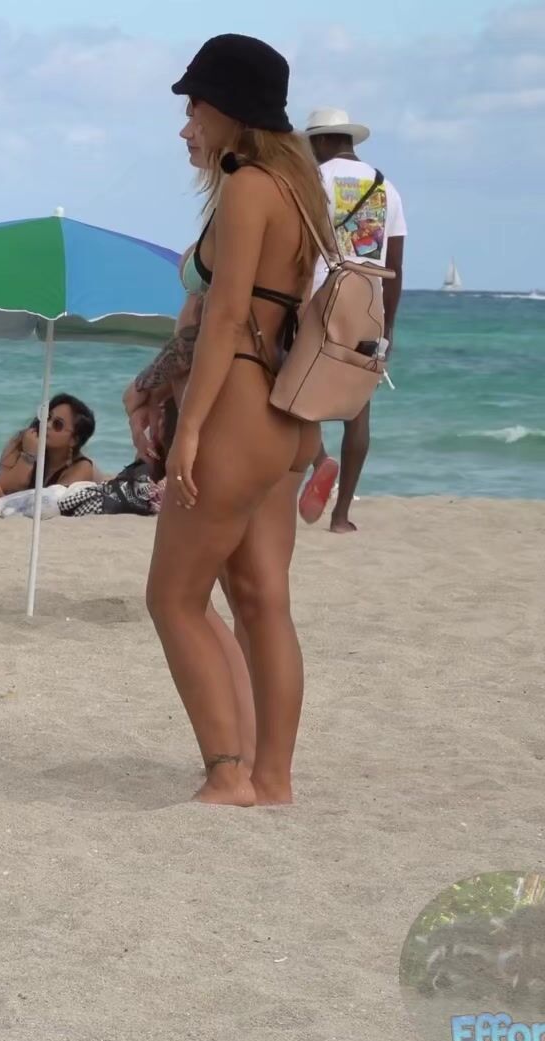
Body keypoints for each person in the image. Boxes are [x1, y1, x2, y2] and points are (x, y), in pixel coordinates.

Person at [151, 34, 330, 806]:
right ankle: (273, 778)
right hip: (288, 417)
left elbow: (224, 321)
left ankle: (228, 774)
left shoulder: (248, 187)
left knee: (174, 598)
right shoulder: (300, 189)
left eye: (195, 108)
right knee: (262, 602)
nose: (186, 126)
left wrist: (188, 430)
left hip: (239, 407)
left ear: (229, 108)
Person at [298, 106, 406, 533]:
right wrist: (388, 327)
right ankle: (341, 515)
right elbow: (395, 265)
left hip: (320, 298)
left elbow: (296, 246)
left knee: (295, 397)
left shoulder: (313, 180)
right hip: (368, 303)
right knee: (358, 410)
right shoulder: (387, 188)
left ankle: (319, 460)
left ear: (323, 140)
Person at [0, 394, 101, 503]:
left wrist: (3, 500)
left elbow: (53, 505)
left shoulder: (82, 467)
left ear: (73, 440)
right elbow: (5, 486)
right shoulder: (23, 440)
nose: (47, 425)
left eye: (57, 424)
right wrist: (28, 457)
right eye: (47, 417)